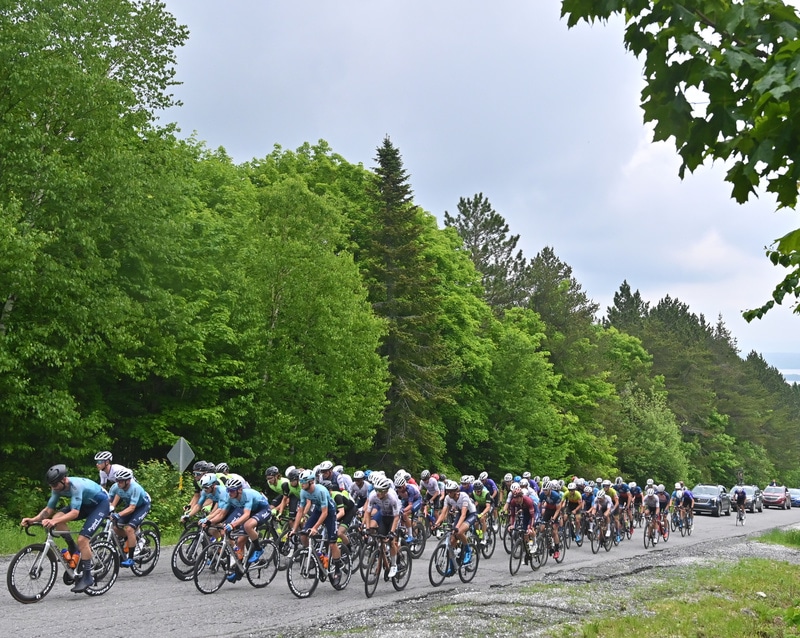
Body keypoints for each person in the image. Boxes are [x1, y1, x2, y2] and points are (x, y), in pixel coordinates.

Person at [21, 464, 110, 593]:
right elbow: (49, 509)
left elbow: (74, 513)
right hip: (85, 504)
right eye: (51, 485)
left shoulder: (76, 486)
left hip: (100, 505)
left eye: (55, 485)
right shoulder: (57, 487)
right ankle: (72, 547)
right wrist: (33, 519)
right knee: (58, 516)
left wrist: (53, 521)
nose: (53, 488)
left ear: (64, 479)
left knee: (83, 540)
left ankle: (87, 577)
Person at [291, 469, 345, 577]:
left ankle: (338, 568)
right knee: (303, 535)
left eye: (303, 482)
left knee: (332, 542)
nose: (301, 484)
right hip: (317, 510)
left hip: (329, 512)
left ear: (311, 482)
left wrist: (315, 527)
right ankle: (315, 556)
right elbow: (300, 511)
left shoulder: (320, 491)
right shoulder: (303, 492)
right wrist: (294, 529)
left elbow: (325, 513)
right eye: (300, 482)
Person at [107, 467, 151, 567]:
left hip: (142, 506)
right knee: (115, 527)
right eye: (117, 480)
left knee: (130, 529)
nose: (118, 483)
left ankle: (131, 559)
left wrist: (118, 514)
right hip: (131, 505)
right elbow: (109, 501)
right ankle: (131, 539)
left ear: (128, 481)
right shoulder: (115, 487)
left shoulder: (135, 487)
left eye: (121, 481)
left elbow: (131, 508)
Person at [432, 479, 478, 565]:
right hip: (460, 513)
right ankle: (453, 565)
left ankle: (468, 552)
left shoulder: (463, 496)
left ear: (455, 491)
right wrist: (436, 523)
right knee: (452, 540)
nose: (448, 494)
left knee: (459, 532)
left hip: (471, 514)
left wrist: (457, 527)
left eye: (450, 492)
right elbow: (443, 513)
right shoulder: (447, 498)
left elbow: (464, 515)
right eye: (447, 491)